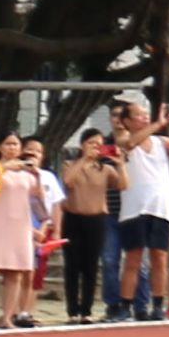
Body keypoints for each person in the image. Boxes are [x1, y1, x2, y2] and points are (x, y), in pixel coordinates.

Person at [112, 104, 169, 321]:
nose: (144, 118)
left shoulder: (162, 142)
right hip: (134, 208)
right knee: (133, 259)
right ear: (127, 121)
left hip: (161, 208)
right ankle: (125, 305)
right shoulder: (123, 139)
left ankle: (157, 305)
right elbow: (130, 143)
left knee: (160, 258)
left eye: (146, 114)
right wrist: (158, 123)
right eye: (139, 115)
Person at [0, 132, 46, 329]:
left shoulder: (27, 175)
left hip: (21, 226)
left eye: (15, 144)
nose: (12, 148)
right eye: (8, 144)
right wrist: (5, 167)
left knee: (15, 274)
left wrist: (36, 173)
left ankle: (7, 317)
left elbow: (39, 201)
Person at [58, 131, 114, 321]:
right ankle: (72, 310)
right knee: (72, 265)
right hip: (73, 219)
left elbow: (123, 184)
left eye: (99, 144)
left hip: (96, 219)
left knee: (91, 266)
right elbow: (68, 181)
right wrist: (84, 159)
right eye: (91, 143)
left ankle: (86, 310)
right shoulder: (70, 165)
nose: (95, 147)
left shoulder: (105, 169)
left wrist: (121, 163)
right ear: (83, 145)